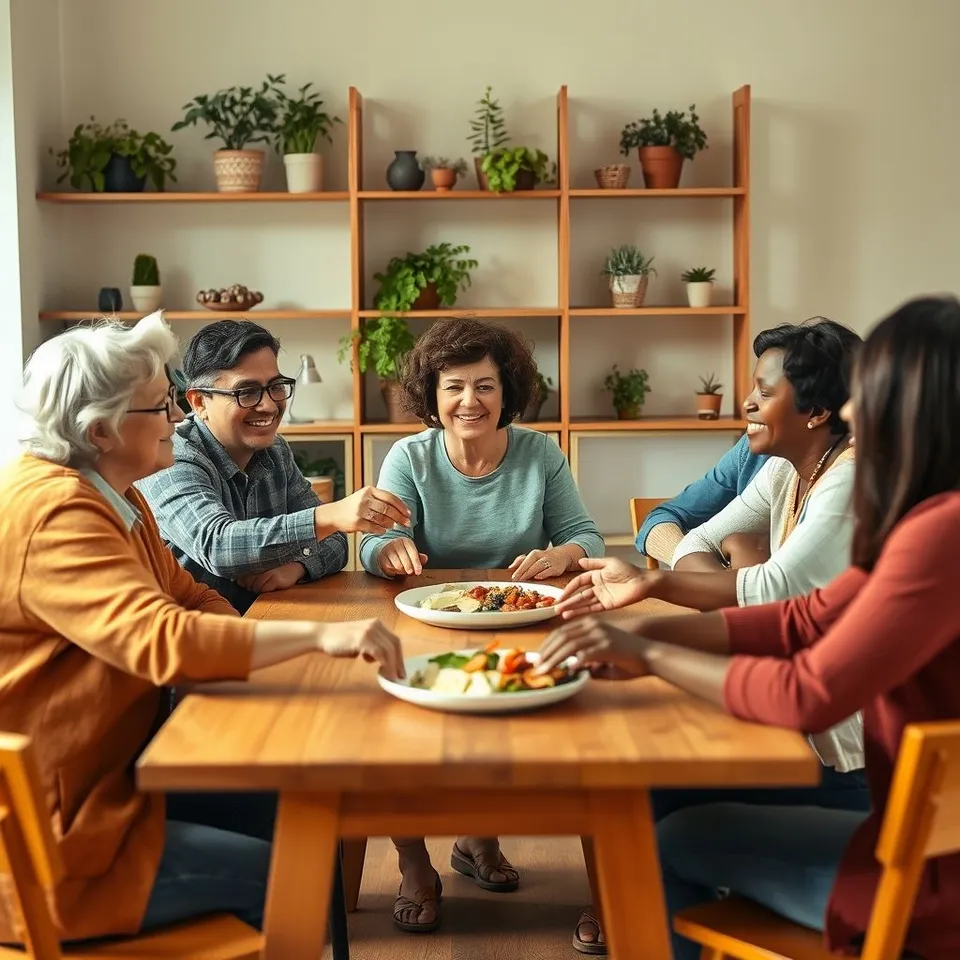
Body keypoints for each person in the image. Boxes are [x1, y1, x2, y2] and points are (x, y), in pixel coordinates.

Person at [541, 294, 960, 960]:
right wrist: (644, 633)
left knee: (666, 835)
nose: (853, 412)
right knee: (660, 791)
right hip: (912, 838)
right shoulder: (926, 519)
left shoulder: (938, 535)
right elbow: (802, 616)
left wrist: (646, 655)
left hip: (925, 883)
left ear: (915, 407)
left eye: (869, 393)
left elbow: (805, 692)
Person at [0, 312, 404, 944]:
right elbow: (163, 638)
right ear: (100, 430)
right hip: (59, 849)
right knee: (299, 867)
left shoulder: (115, 494)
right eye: (160, 407)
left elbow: (188, 596)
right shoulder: (52, 511)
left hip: (119, 790)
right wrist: (321, 636)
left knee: (306, 817)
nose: (174, 421)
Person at [566, 317, 868, 954]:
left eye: (764, 389)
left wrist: (659, 607)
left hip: (843, 763)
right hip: (804, 730)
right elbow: (702, 545)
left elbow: (778, 596)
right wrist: (686, 591)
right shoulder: (792, 471)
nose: (748, 403)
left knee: (661, 818)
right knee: (651, 784)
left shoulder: (849, 481)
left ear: (815, 410)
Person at [359, 316, 605, 933]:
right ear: (433, 396)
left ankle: (476, 840)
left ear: (507, 392)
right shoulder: (409, 456)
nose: (470, 401)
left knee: (530, 728)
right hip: (426, 619)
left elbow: (583, 535)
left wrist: (562, 555)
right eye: (454, 387)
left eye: (486, 386)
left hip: (520, 619)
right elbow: (374, 544)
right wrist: (387, 551)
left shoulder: (539, 452)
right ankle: (414, 863)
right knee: (395, 740)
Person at [137, 319, 411, 614]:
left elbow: (335, 543)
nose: (268, 406)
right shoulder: (171, 455)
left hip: (263, 622)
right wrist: (330, 515)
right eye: (247, 392)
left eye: (276, 387)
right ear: (199, 402)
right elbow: (217, 545)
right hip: (189, 639)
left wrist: (296, 567)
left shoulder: (274, 451)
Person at [636, 434, 767, 566]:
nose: (749, 412)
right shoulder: (752, 448)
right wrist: (696, 567)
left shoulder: (777, 471)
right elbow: (659, 520)